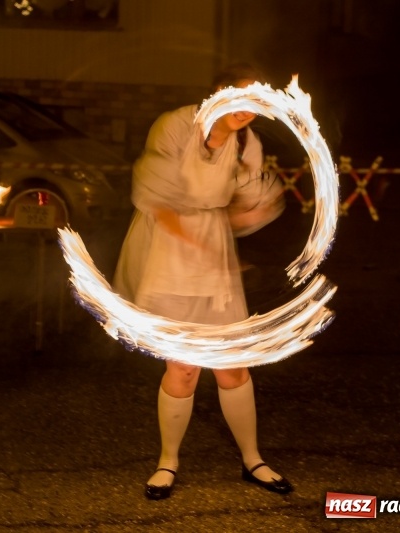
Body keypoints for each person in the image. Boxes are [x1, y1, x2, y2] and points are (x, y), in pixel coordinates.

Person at [112, 63, 290, 500]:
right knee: (184, 366)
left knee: (231, 365)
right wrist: (204, 247)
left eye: (256, 101)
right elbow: (157, 197)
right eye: (239, 96)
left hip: (211, 250)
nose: (246, 109)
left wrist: (257, 209)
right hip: (167, 249)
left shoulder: (249, 142)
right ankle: (167, 462)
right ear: (217, 94)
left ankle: (253, 460)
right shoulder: (175, 126)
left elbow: (243, 202)